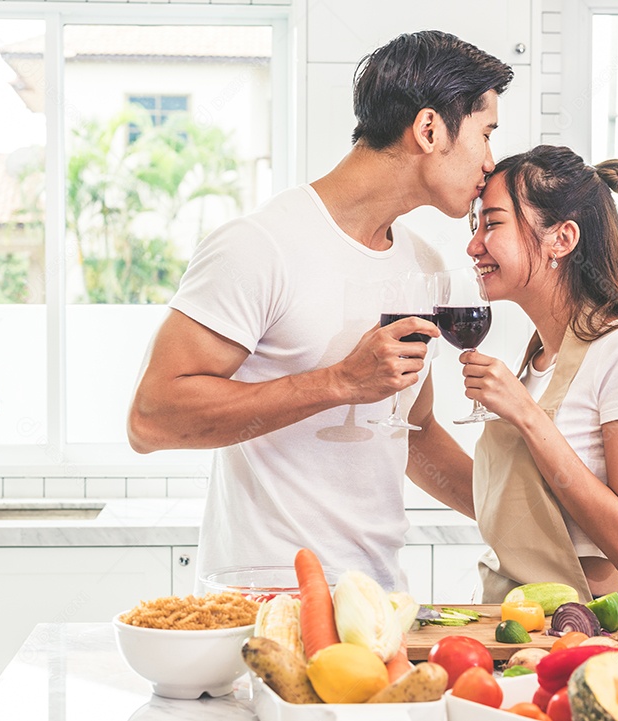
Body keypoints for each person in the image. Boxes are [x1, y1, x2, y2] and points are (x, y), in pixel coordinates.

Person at [126, 31, 513, 591]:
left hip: (378, 598)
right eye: (485, 134)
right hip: (265, 598)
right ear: (429, 130)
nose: (490, 162)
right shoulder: (259, 245)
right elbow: (151, 419)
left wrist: (519, 517)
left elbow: (417, 431)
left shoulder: (421, 263)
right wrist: (337, 383)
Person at [457, 145, 618, 602]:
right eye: (475, 226)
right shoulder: (536, 358)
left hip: (581, 632)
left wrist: (525, 414)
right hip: (512, 623)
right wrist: (407, 409)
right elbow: (511, 502)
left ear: (562, 239)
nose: (474, 245)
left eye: (492, 223)